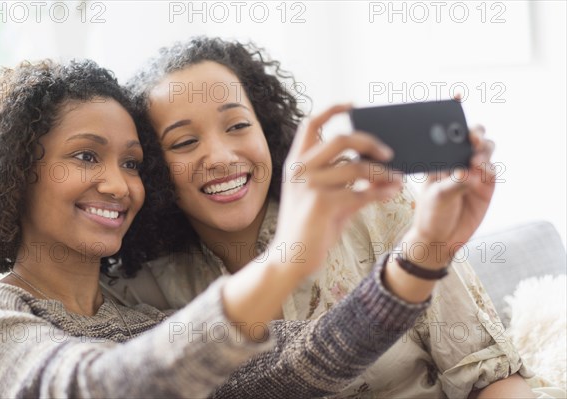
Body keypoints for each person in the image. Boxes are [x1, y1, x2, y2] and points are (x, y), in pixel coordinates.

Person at [0, 59, 453, 398]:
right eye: (86, 155)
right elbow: (94, 387)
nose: (118, 185)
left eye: (133, 164)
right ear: (14, 174)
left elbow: (302, 361)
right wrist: (286, 259)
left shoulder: (134, 318)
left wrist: (425, 250)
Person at [111, 37, 538, 398]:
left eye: (238, 125)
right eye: (184, 141)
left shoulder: (374, 206)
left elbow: (491, 377)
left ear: (269, 130)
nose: (221, 157)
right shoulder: (146, 295)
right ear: (152, 166)